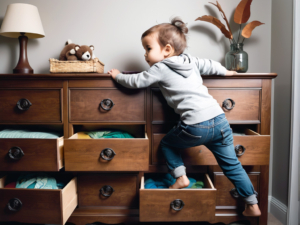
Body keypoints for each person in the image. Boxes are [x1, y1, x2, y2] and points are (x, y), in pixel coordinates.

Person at [108, 17, 261, 217]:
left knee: (167, 144)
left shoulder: (160, 68)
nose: (145, 54)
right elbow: (209, 65)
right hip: (220, 120)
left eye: (148, 48)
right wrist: (227, 72)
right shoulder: (191, 60)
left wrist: (118, 75)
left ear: (167, 50)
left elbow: (137, 81)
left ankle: (181, 177)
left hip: (196, 125)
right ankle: (252, 203)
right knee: (232, 165)